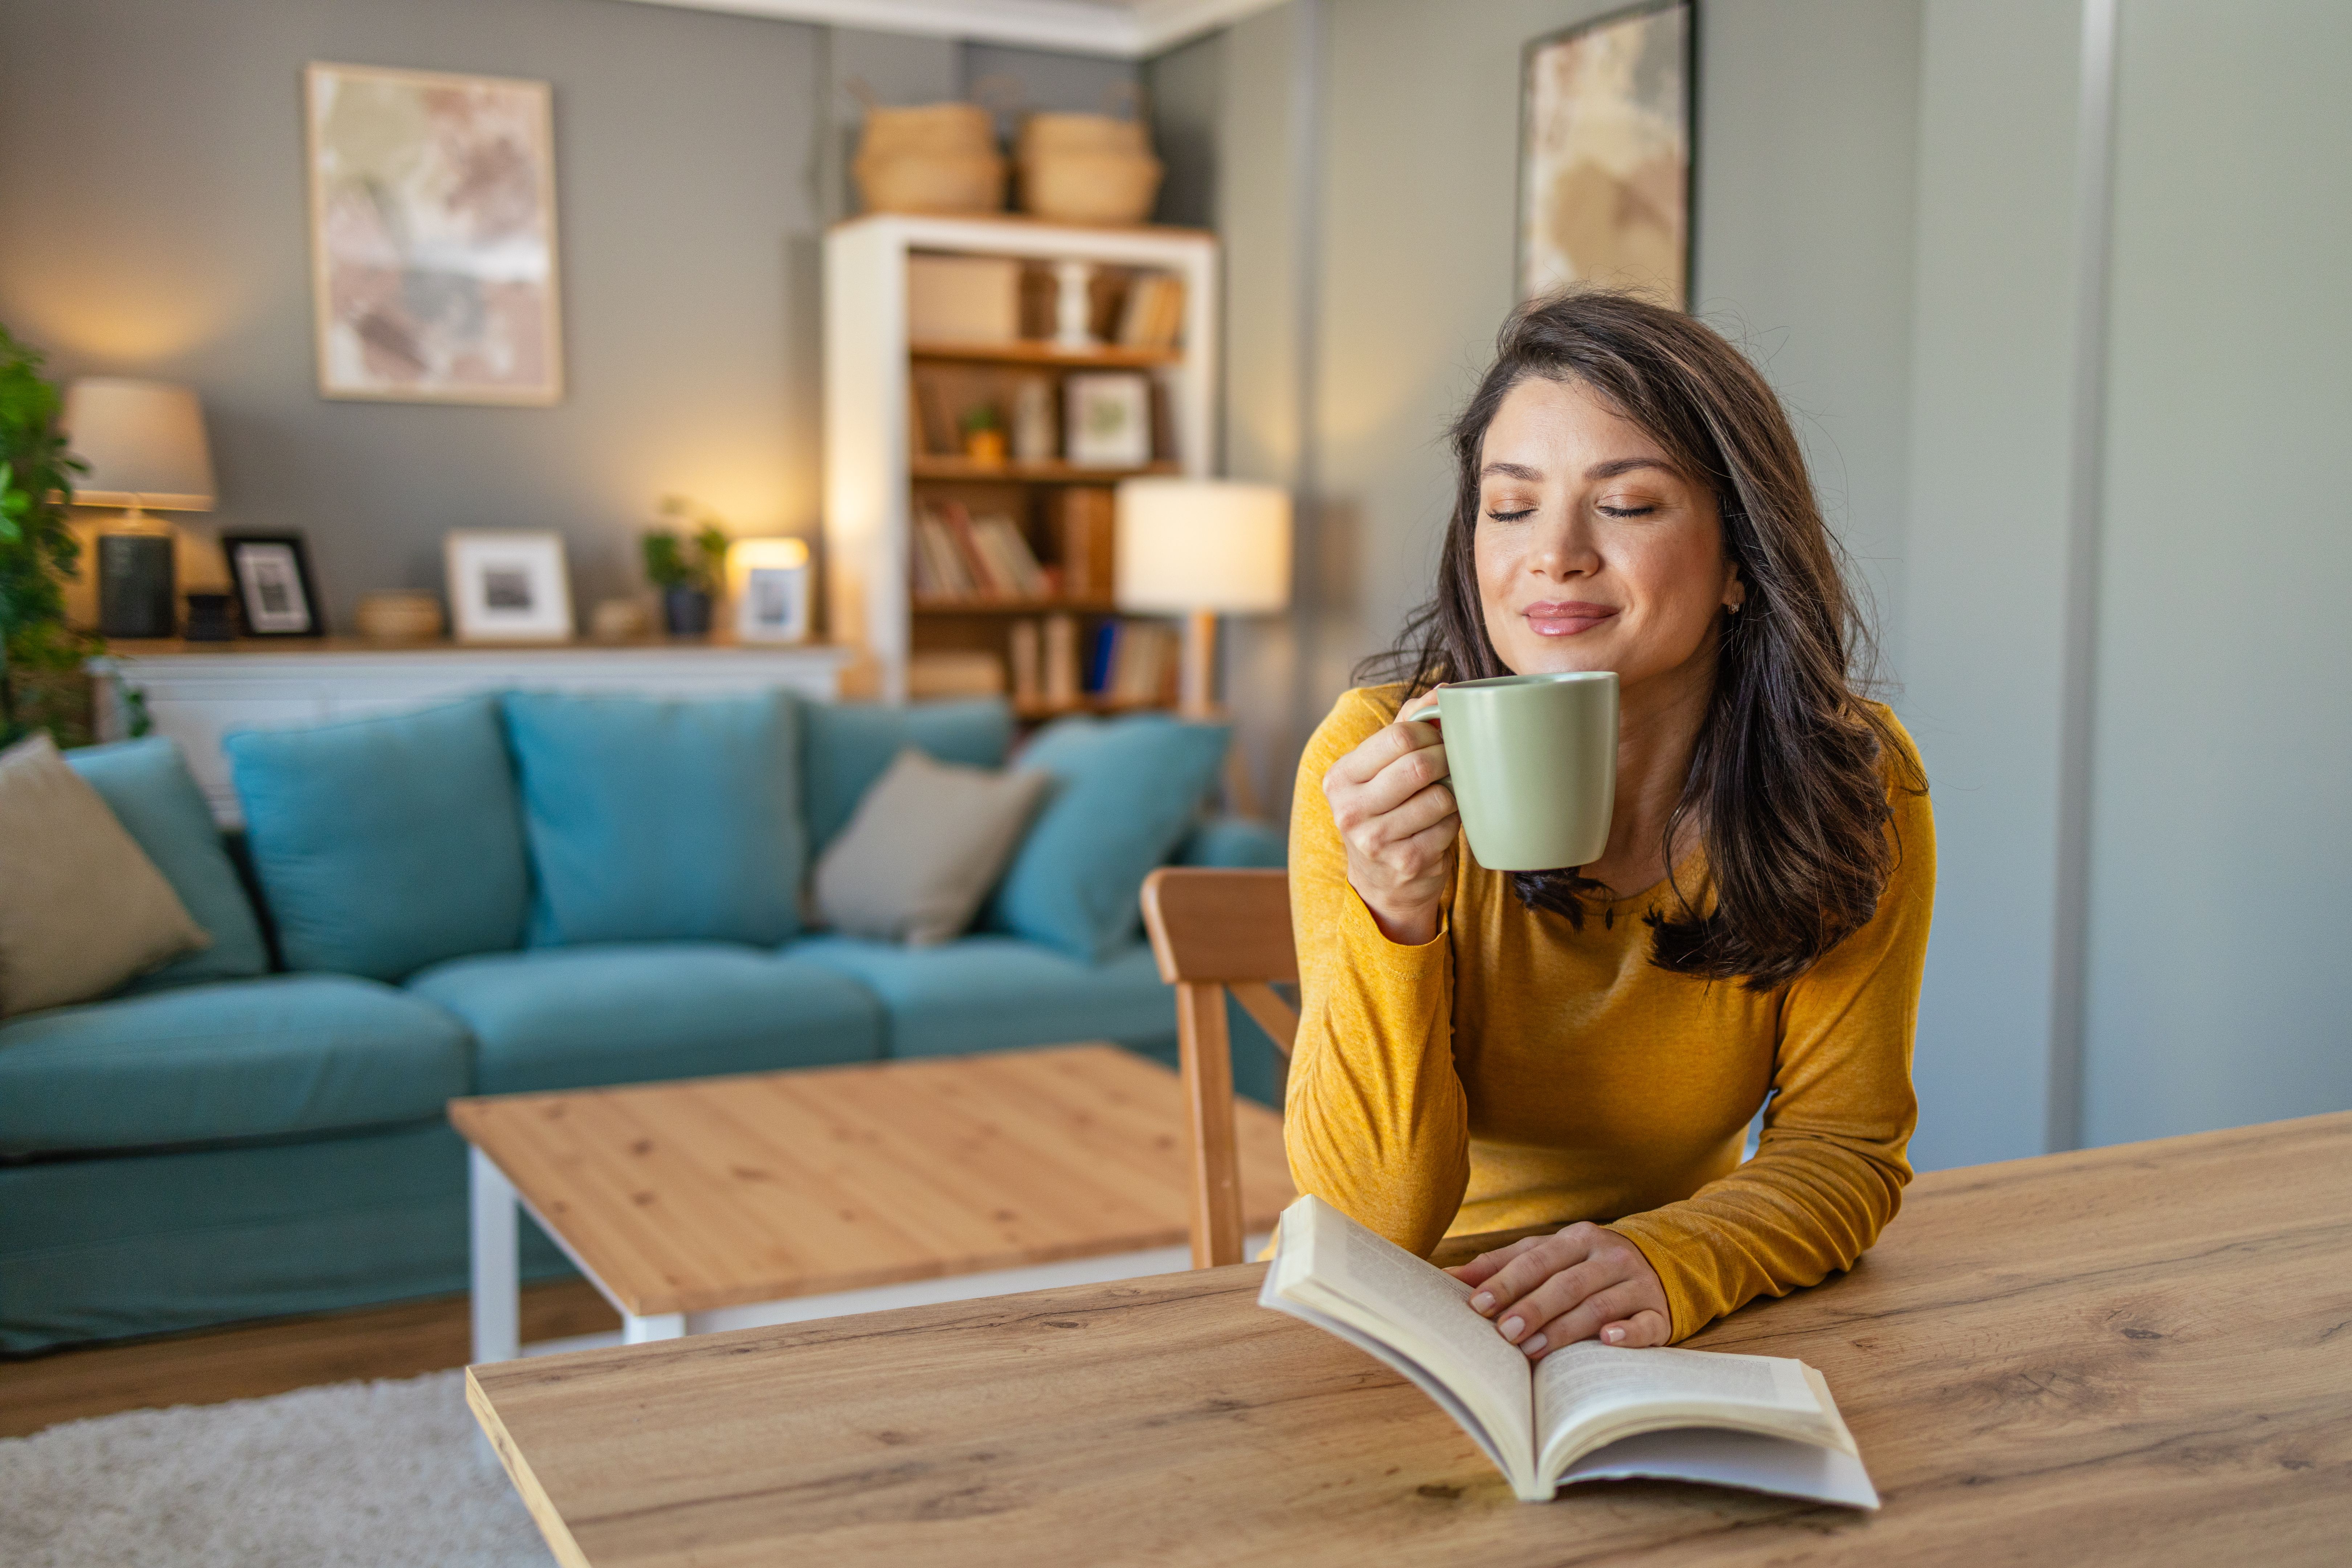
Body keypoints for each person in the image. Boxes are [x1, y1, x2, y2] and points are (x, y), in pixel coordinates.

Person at [1287, 290, 1934, 1358]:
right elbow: (1368, 1227)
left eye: (1626, 504)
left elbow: (1844, 1148)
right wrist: (1395, 915)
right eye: (1511, 505)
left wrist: (1672, 1260)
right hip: (1386, 1330)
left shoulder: (1848, 782)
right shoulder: (1372, 761)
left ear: (1740, 559)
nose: (1556, 555)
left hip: (1655, 1321)